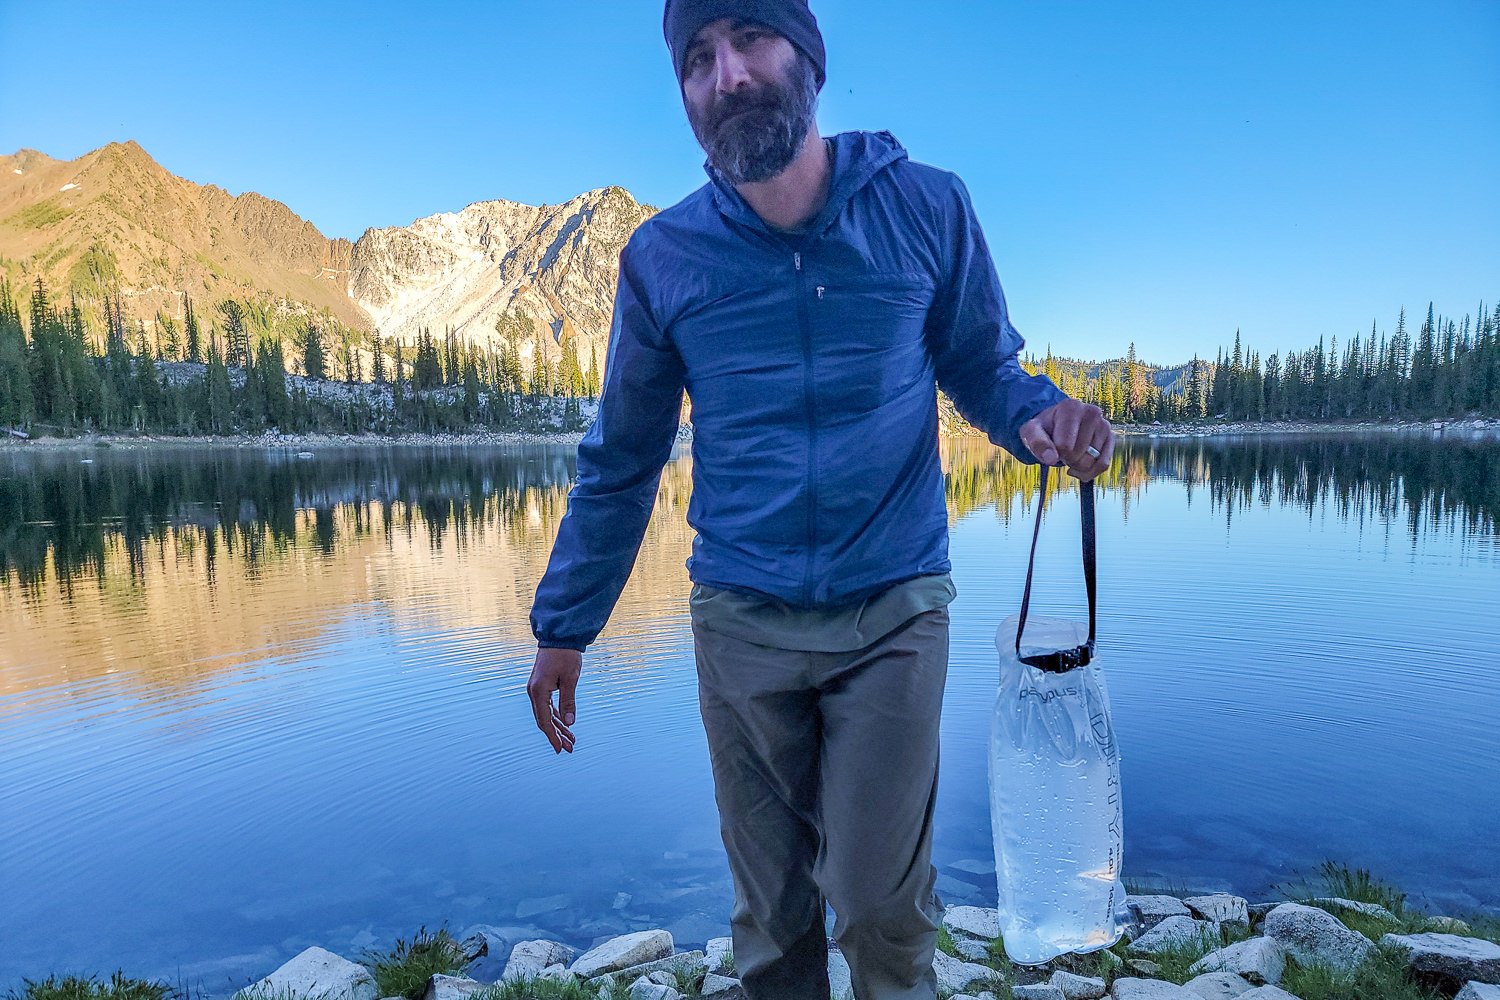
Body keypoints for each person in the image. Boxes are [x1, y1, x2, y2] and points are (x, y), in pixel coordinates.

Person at [528, 2, 1115, 996]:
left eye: (748, 39)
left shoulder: (927, 208)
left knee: (882, 905)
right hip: (739, 622)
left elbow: (980, 364)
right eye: (698, 59)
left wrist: (1039, 419)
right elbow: (622, 459)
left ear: (807, 58)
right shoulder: (662, 260)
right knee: (771, 916)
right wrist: (564, 626)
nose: (727, 76)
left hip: (891, 610)